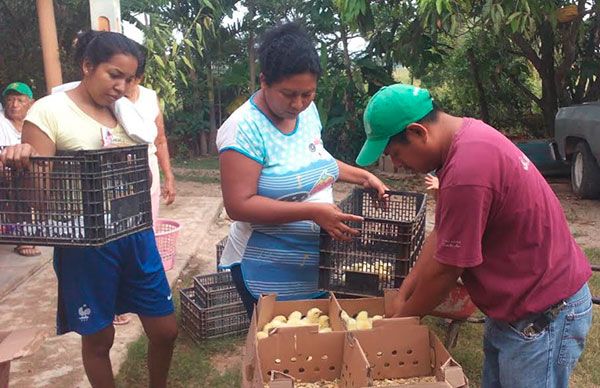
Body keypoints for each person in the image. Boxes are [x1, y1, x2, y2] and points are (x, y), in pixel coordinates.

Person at [356, 83, 593, 387]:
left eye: (396, 154)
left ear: (418, 132)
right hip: (514, 310)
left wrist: (403, 320)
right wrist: (403, 294)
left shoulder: (467, 171)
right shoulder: (464, 138)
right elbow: (442, 234)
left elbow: (447, 270)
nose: (398, 164)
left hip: (543, 316)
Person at [0, 31, 177, 388]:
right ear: (87, 66)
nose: (121, 86)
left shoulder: (126, 111)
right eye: (114, 75)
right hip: (85, 243)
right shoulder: (51, 112)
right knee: (99, 339)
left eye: (128, 79)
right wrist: (23, 162)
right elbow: (39, 201)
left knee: (165, 330)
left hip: (135, 233)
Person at [216, 22, 388, 317]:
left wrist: (363, 176)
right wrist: (312, 212)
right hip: (267, 269)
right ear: (264, 81)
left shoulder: (308, 112)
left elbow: (316, 160)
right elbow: (238, 205)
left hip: (315, 262)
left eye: (307, 94)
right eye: (288, 94)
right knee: (278, 352)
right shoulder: (243, 129)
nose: (298, 103)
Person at [0, 81, 41, 257]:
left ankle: (24, 232)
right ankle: (23, 235)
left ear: (30, 103)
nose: (14, 105)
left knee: (23, 175)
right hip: (5, 171)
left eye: (19, 100)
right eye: (9, 100)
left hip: (24, 172)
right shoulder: (1, 121)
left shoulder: (35, 123)